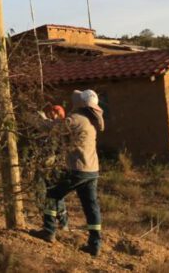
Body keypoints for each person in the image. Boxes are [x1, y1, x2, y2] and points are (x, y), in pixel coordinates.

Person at [40, 89, 104, 257]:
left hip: (78, 169)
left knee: (53, 193)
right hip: (92, 170)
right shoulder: (93, 120)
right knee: (91, 207)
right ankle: (95, 244)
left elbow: (53, 128)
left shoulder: (76, 119)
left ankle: (48, 231)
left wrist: (39, 118)